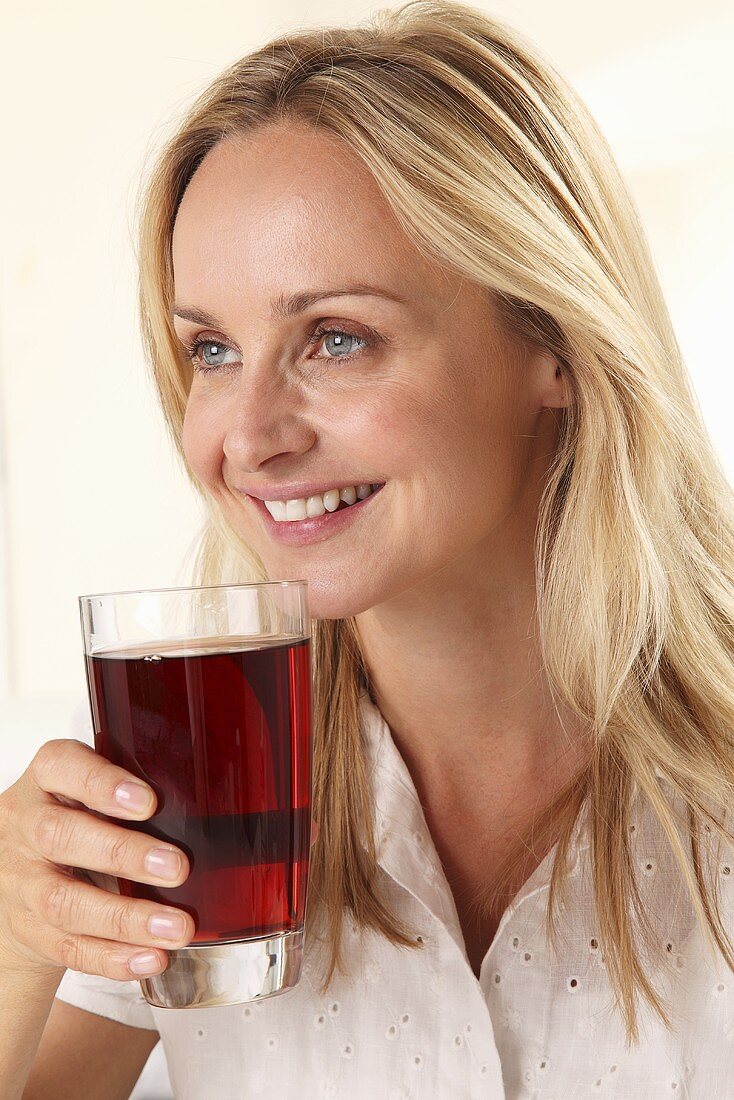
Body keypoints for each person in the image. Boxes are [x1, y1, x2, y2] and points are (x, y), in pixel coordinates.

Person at [2, 1, 733, 1096]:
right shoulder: (156, 780)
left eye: (336, 338)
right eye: (211, 347)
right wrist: (13, 947)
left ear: (555, 345)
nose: (246, 437)